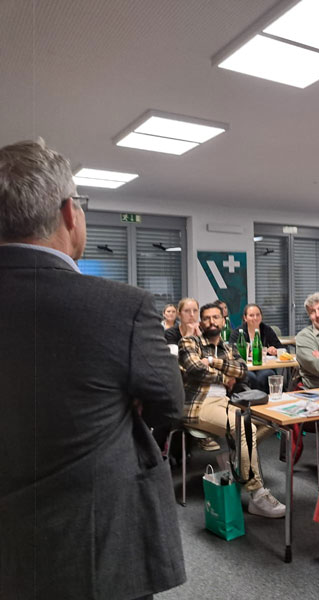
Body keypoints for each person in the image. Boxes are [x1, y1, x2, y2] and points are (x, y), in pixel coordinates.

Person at [0, 138, 186, 598]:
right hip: (98, 544)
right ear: (69, 213)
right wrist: (122, 404)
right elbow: (168, 405)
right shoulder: (120, 307)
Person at [179, 303, 285, 518]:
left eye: (215, 317)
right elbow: (195, 369)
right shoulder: (189, 342)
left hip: (226, 402)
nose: (211, 322)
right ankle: (256, 493)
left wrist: (213, 361)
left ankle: (234, 458)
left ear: (223, 321)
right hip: (199, 405)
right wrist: (225, 377)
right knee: (245, 428)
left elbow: (242, 370)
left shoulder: (228, 347)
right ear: (201, 323)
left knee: (271, 421)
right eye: (206, 318)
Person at [230, 303, 286, 391]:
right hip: (246, 367)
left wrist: (275, 350)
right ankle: (255, 398)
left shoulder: (267, 329)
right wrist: (248, 353)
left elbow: (281, 349)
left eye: (258, 315)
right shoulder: (238, 332)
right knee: (250, 377)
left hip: (263, 366)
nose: (255, 318)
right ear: (245, 318)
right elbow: (231, 351)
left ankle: (266, 398)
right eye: (251, 315)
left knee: (266, 375)